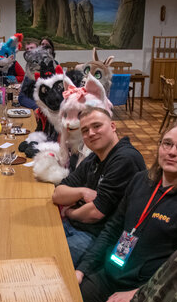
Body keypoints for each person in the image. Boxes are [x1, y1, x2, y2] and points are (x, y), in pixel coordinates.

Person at [76, 119, 177, 302]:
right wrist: (82, 269)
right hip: (110, 274)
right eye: (167, 144)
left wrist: (137, 294)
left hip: (143, 289)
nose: (172, 152)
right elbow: (112, 229)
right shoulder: (141, 180)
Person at [53, 106, 145, 267]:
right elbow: (58, 193)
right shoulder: (94, 157)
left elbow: (95, 213)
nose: (91, 133)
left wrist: (69, 212)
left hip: (98, 238)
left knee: (50, 260)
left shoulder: (125, 158)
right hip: (75, 227)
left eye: (97, 126)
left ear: (113, 126)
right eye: (85, 130)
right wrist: (83, 191)